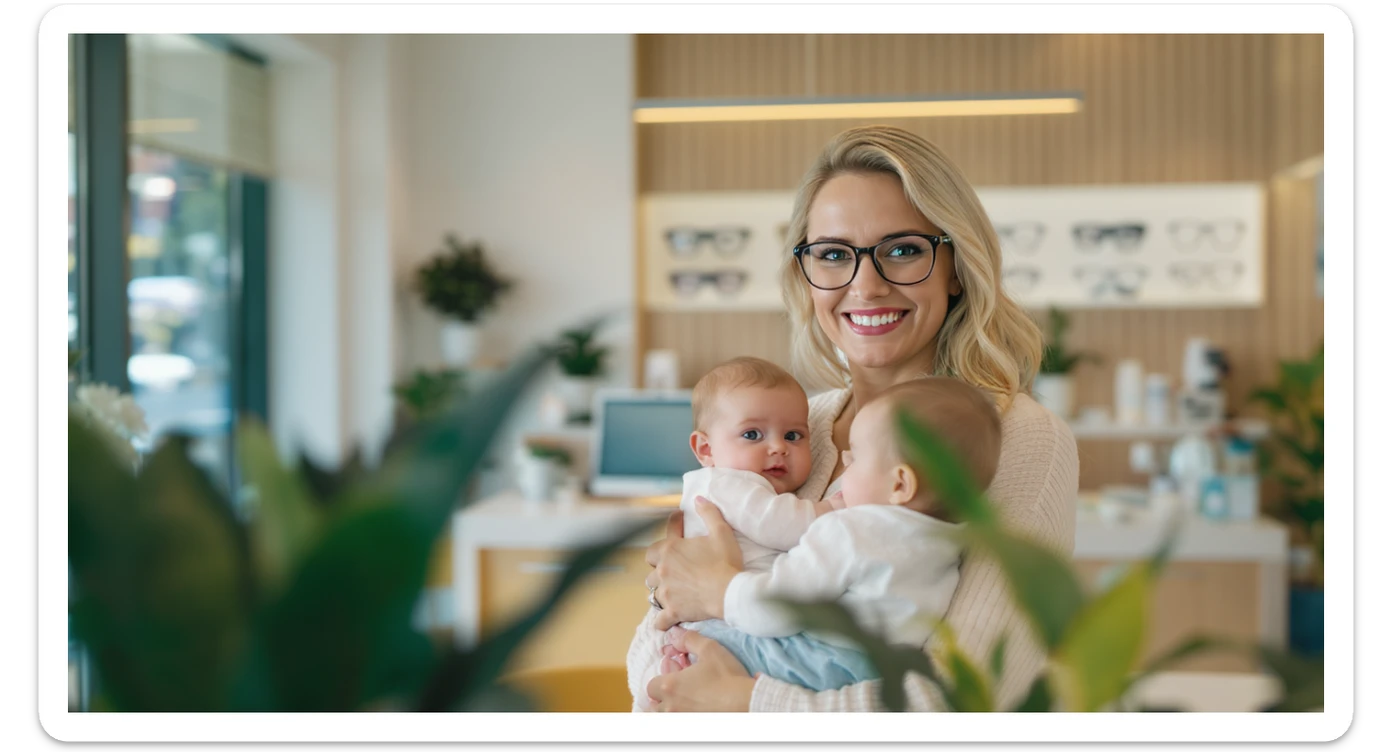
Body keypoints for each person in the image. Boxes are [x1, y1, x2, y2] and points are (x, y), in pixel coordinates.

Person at [631, 124, 1079, 712]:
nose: (865, 286)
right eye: (834, 255)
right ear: (805, 273)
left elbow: (962, 701)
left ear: (957, 266)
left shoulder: (1016, 438)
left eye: (903, 250)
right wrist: (680, 597)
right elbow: (647, 662)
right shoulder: (792, 426)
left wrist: (746, 699)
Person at [629, 361, 1002, 711]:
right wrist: (670, 595)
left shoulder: (849, 530)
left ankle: (665, 682)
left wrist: (721, 593)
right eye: (753, 434)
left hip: (819, 661)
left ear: (900, 483)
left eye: (854, 458)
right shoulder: (953, 541)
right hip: (878, 668)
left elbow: (776, 608)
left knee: (711, 646)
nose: (844, 463)